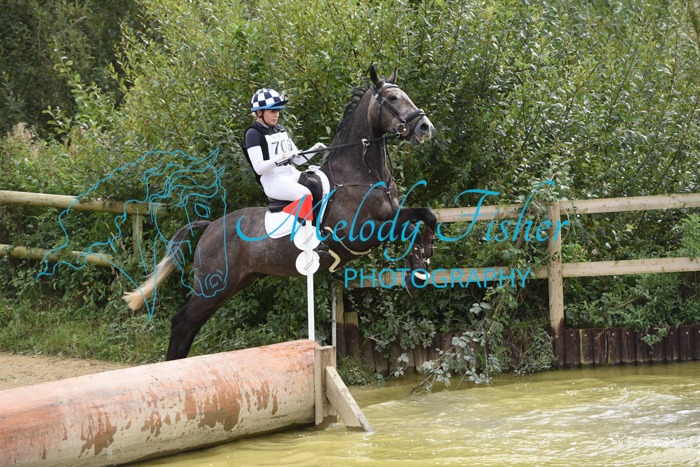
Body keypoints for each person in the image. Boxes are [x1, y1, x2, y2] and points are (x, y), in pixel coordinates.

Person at [242, 88, 326, 208]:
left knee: (323, 185)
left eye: (278, 111)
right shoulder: (253, 133)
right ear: (259, 112)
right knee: (304, 195)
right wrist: (282, 158)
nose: (276, 115)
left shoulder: (280, 129)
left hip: (291, 172)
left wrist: (315, 149)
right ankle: (303, 222)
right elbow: (259, 168)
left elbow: (298, 160)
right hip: (272, 179)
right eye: (272, 111)